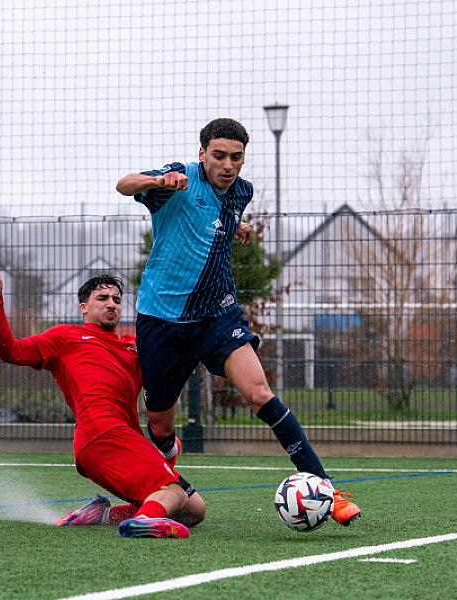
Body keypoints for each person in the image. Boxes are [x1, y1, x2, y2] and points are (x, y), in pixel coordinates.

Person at [115, 117, 360, 526]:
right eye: (219, 156)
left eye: (236, 157)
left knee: (260, 393)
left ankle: (326, 489)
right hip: (163, 318)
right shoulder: (179, 180)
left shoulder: (240, 192)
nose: (228, 165)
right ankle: (166, 472)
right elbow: (124, 184)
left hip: (217, 314)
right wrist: (158, 183)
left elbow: (215, 221)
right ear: (202, 154)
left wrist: (236, 227)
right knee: (159, 422)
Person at [0, 269, 206, 538]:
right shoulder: (65, 337)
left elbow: (169, 368)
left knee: (194, 509)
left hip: (119, 440)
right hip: (102, 434)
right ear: (84, 308)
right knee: (173, 492)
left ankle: (102, 514)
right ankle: (144, 520)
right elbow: (11, 352)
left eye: (117, 299)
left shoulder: (134, 348)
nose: (111, 303)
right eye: (103, 298)